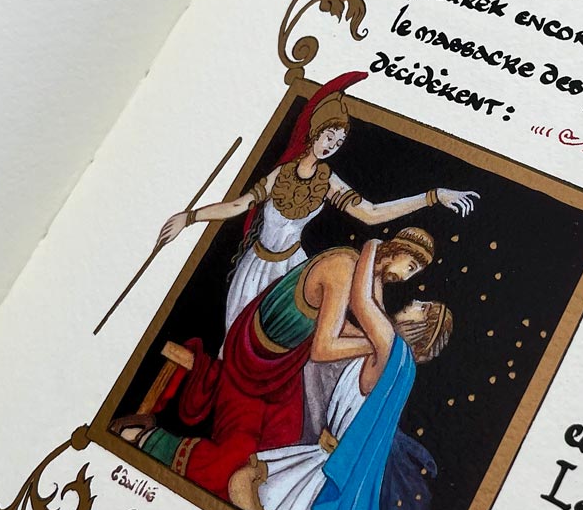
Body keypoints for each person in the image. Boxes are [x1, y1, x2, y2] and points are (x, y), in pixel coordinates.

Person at [119, 228, 437, 510]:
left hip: (284, 366)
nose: (405, 277)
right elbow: (323, 348)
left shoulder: (362, 273)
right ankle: (145, 439)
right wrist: (375, 346)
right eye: (410, 267)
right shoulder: (344, 267)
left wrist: (379, 343)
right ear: (398, 251)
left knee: (281, 445)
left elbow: (353, 324)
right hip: (255, 358)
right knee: (241, 455)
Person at [153, 72, 477, 335]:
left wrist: (433, 196)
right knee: (237, 340)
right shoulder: (282, 173)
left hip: (294, 271)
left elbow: (371, 213)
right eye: (328, 137)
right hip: (256, 268)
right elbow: (238, 206)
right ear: (314, 132)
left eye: (338, 142)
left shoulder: (327, 180)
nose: (331, 146)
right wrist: (189, 217)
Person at [248, 240, 452, 510]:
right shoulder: (397, 358)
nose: (412, 301)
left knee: (256, 498)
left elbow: (361, 301)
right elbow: (369, 311)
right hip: (325, 454)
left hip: (323, 469)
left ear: (421, 327)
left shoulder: (390, 347)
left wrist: (373, 247)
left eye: (421, 307)